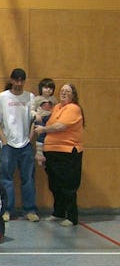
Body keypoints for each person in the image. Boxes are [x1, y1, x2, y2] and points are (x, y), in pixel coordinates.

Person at [34, 83, 84, 227]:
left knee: (68, 185)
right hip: (52, 152)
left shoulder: (73, 108)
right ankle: (59, 212)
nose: (63, 93)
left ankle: (72, 217)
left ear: (73, 95)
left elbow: (60, 126)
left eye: (67, 91)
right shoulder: (56, 108)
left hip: (67, 152)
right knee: (55, 185)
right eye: (62, 91)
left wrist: (43, 129)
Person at [0, 68, 39, 222]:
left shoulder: (30, 97)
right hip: (8, 145)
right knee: (6, 178)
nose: (19, 83)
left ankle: (30, 210)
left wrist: (30, 137)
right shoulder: (2, 97)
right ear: (11, 80)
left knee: (28, 178)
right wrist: (4, 140)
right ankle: (7, 210)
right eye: (16, 80)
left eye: (22, 80)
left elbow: (34, 120)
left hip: (25, 144)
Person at [32, 78, 57, 166]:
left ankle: (47, 153)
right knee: (41, 134)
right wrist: (36, 115)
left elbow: (56, 109)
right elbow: (31, 110)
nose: (48, 90)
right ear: (41, 88)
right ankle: (39, 153)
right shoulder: (37, 99)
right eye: (46, 88)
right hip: (40, 118)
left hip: (50, 118)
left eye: (50, 88)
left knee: (51, 135)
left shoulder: (53, 99)